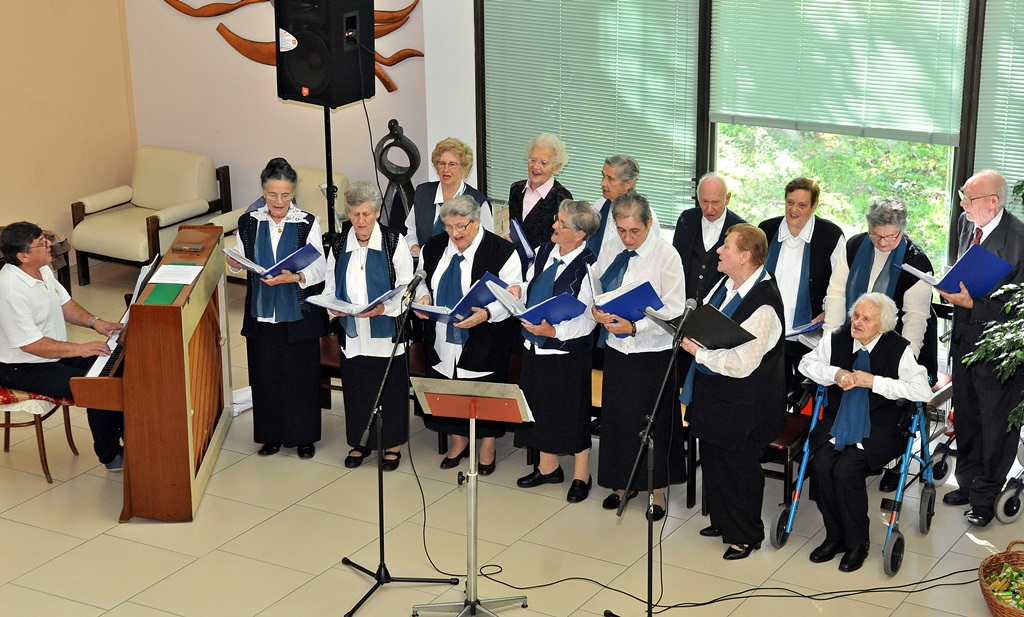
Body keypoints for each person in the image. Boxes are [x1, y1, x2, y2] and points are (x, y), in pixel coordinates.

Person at [799, 293, 932, 572]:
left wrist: (876, 382)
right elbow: (806, 364)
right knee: (821, 465)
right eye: (855, 315)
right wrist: (835, 373)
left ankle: (858, 543)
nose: (856, 323)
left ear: (881, 326)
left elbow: (922, 391)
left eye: (866, 319)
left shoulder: (898, 349)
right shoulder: (837, 338)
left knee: (846, 470)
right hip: (839, 419)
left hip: (881, 424)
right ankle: (834, 537)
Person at [680, 223, 786, 560]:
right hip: (715, 393)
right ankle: (724, 520)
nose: (719, 251)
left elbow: (744, 363)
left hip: (745, 402)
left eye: (726, 246)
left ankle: (746, 533)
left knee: (738, 467)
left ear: (745, 256)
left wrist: (699, 353)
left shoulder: (764, 304)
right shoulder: (726, 285)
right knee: (713, 457)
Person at [823, 197, 937, 492]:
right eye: (877, 234)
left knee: (889, 402)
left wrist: (902, 360)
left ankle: (892, 459)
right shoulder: (855, 246)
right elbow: (837, 295)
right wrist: (831, 340)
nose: (883, 241)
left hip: (898, 347)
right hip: (856, 337)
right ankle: (847, 443)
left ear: (902, 230)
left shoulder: (917, 261)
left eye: (891, 236)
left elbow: (915, 319)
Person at [592, 192, 686, 520]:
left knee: (652, 421)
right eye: (621, 230)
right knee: (619, 419)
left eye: (635, 231)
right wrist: (598, 312)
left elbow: (674, 311)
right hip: (618, 349)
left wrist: (635, 327)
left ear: (649, 224)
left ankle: (657, 490)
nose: (627, 237)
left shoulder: (666, 255)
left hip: (653, 353)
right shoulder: (614, 248)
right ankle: (622, 483)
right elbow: (596, 285)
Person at [0, 222, 125, 470]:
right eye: (42, 243)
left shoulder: (41, 270)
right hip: (20, 366)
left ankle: (133, 437)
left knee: (119, 365)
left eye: (45, 238)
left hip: (51, 354)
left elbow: (64, 303)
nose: (50, 244)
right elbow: (31, 345)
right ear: (23, 256)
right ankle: (111, 456)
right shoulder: (9, 290)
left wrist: (95, 323)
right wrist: (80, 349)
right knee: (97, 386)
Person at [938, 169, 1024, 527]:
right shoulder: (965, 223)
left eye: (968, 199)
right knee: (968, 417)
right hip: (964, 340)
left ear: (993, 202)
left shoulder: (1019, 238)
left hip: (999, 352)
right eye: (961, 195)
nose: (962, 204)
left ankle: (986, 497)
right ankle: (970, 484)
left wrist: (974, 305)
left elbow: (1020, 308)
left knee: (996, 425)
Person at [227, 157, 327, 459]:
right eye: (272, 194)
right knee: (265, 374)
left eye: (285, 194)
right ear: (263, 191)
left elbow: (321, 267)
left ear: (293, 192)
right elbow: (239, 260)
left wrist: (296, 276)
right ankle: (270, 436)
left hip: (298, 313)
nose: (279, 201)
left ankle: (304, 436)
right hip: (261, 311)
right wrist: (233, 263)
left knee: (301, 375)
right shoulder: (249, 221)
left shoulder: (307, 222)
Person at [414, 195, 523, 473]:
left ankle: (487, 445)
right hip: (441, 333)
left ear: (477, 222)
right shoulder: (435, 246)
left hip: (484, 335)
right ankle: (459, 441)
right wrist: (423, 298)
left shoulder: (501, 251)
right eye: (448, 227)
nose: (455, 234)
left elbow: (513, 295)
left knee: (483, 391)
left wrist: (487, 314)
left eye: (461, 226)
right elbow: (422, 279)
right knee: (448, 386)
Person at [510, 200, 599, 502]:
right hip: (534, 343)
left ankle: (581, 474)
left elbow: (588, 319)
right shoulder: (544, 251)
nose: (554, 226)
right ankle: (548, 467)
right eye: (557, 220)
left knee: (571, 411)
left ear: (580, 234)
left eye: (561, 224)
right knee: (537, 406)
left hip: (567, 351)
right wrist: (518, 289)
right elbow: (531, 281)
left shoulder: (589, 265)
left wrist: (554, 332)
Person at [324, 181, 414, 470]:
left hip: (386, 332)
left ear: (376, 213)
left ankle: (392, 445)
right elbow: (330, 285)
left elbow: (405, 288)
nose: (361, 221)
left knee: (390, 389)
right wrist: (332, 305)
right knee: (358, 388)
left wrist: (384, 308)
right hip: (353, 333)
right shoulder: (339, 244)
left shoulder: (392, 241)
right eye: (355, 214)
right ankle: (359, 443)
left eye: (366, 214)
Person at [758, 177, 845, 394]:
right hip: (765, 332)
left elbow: (842, 285)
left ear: (814, 206)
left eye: (802, 205)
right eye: (790, 202)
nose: (794, 210)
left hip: (806, 337)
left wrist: (829, 311)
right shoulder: (765, 230)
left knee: (797, 396)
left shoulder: (831, 236)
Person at [405, 137, 494, 255]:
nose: (446, 169)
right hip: (424, 265)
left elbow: (487, 243)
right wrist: (414, 246)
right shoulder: (423, 193)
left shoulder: (477, 201)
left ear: (464, 169)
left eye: (452, 164)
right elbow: (411, 230)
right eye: (442, 163)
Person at [672, 172, 748, 303]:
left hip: (717, 310)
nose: (709, 209)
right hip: (681, 305)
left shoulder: (741, 229)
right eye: (704, 201)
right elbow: (675, 261)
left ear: (727, 198)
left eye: (716, 202)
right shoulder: (687, 219)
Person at [507, 133, 573, 251]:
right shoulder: (516, 189)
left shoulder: (562, 198)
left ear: (556, 167)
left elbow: (563, 239)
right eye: (533, 160)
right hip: (515, 260)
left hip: (542, 262)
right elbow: (514, 226)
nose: (536, 167)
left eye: (543, 163)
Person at [586, 155, 660, 258]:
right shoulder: (598, 206)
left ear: (628, 184)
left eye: (610, 179)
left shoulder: (644, 215)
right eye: (603, 176)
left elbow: (650, 257)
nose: (602, 183)